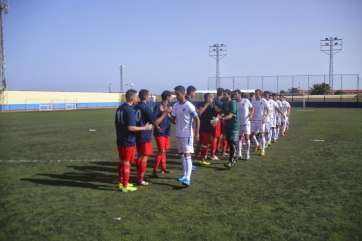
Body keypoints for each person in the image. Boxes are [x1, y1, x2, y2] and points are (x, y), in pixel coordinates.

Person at [115, 89, 153, 192]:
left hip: (120, 139)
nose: (138, 98)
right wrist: (145, 128)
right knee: (127, 162)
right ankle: (125, 186)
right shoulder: (130, 110)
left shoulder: (120, 108)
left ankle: (121, 182)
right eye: (136, 97)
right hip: (128, 140)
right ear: (132, 98)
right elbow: (131, 128)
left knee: (122, 162)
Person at [171, 85, 200, 186]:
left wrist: (197, 133)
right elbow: (173, 121)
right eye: (175, 94)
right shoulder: (175, 105)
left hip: (187, 134)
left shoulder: (189, 105)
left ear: (183, 94)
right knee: (182, 155)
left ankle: (188, 178)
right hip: (178, 134)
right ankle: (184, 175)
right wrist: (169, 114)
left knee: (187, 155)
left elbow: (197, 119)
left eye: (177, 94)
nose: (176, 96)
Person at [134, 89, 156, 186]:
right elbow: (153, 120)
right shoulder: (146, 107)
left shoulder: (135, 107)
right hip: (145, 135)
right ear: (146, 96)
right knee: (144, 157)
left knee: (139, 156)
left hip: (136, 134)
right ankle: (140, 179)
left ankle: (138, 176)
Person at [152, 90, 173, 177]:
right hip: (160, 131)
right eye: (170, 96)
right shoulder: (158, 106)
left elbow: (170, 117)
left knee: (164, 151)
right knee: (161, 151)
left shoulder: (169, 106)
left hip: (167, 131)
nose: (171, 98)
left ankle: (163, 168)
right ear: (167, 97)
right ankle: (154, 170)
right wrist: (157, 127)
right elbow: (154, 119)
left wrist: (170, 115)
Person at [218, 89, 240, 168]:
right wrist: (217, 118)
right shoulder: (225, 103)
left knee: (233, 143)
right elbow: (222, 112)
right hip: (227, 126)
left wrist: (222, 119)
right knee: (230, 143)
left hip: (234, 125)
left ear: (229, 95)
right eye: (223, 94)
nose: (223, 96)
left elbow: (231, 115)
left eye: (225, 94)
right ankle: (235, 157)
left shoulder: (233, 103)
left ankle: (231, 161)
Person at [197, 93, 218, 165]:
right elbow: (199, 113)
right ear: (207, 98)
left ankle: (201, 156)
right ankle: (202, 158)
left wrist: (216, 120)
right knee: (203, 143)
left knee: (207, 142)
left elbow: (218, 114)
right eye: (211, 97)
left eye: (212, 98)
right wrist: (206, 104)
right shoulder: (201, 104)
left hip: (209, 127)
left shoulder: (213, 106)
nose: (212, 99)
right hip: (203, 127)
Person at [236, 90, 254, 160]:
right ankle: (239, 153)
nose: (235, 96)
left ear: (240, 95)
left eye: (236, 94)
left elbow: (252, 108)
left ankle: (247, 153)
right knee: (239, 138)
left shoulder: (246, 100)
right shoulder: (235, 103)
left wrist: (251, 114)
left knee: (247, 138)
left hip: (246, 122)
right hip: (238, 123)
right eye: (234, 95)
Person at [250, 89, 269, 156]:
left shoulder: (263, 101)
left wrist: (265, 117)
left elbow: (268, 109)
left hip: (261, 120)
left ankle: (263, 150)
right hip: (254, 120)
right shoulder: (253, 100)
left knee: (262, 135)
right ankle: (257, 144)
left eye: (257, 93)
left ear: (260, 94)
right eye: (255, 93)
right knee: (251, 134)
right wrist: (251, 116)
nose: (256, 95)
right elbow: (251, 109)